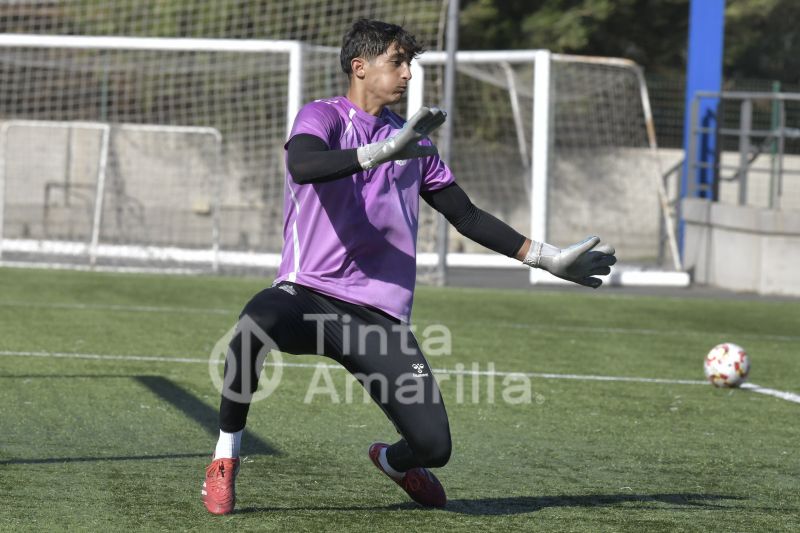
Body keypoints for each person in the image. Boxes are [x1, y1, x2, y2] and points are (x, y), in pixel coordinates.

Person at [202, 18, 616, 515]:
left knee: (433, 448)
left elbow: (466, 215)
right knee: (253, 326)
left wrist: (548, 258)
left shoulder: (415, 141)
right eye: (397, 62)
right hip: (306, 293)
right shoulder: (323, 116)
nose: (407, 74)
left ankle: (395, 463)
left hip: (378, 317)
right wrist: (380, 151)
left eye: (409, 63)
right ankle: (226, 456)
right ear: (360, 66)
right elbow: (303, 166)